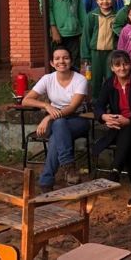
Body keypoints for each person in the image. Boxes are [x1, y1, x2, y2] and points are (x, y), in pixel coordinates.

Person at [22, 46, 89, 191]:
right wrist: (46, 106)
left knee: (57, 131)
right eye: (57, 58)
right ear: (52, 63)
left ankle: (46, 181)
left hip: (78, 119)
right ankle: (68, 168)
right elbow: (26, 100)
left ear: (71, 61)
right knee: (58, 128)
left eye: (65, 58)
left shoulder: (80, 80)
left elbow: (72, 108)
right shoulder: (48, 79)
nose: (61, 61)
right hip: (57, 121)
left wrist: (47, 119)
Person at [93, 50, 131, 207]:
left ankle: (116, 170)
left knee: (127, 134)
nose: (122, 68)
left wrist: (129, 120)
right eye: (118, 65)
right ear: (112, 68)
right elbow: (98, 106)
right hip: (119, 127)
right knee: (127, 145)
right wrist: (104, 117)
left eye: (125, 64)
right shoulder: (109, 83)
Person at [46, 0, 85, 69]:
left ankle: (75, 87)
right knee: (59, 64)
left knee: (74, 64)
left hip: (74, 31)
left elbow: (80, 7)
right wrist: (53, 29)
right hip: (58, 34)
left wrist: (83, 28)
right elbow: (46, 8)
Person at [81, 0, 117, 99]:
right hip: (95, 53)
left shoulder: (117, 16)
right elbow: (86, 36)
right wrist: (86, 56)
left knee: (111, 78)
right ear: (96, 0)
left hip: (111, 53)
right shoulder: (92, 16)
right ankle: (95, 103)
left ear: (113, 0)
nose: (105, 2)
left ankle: (111, 103)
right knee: (94, 79)